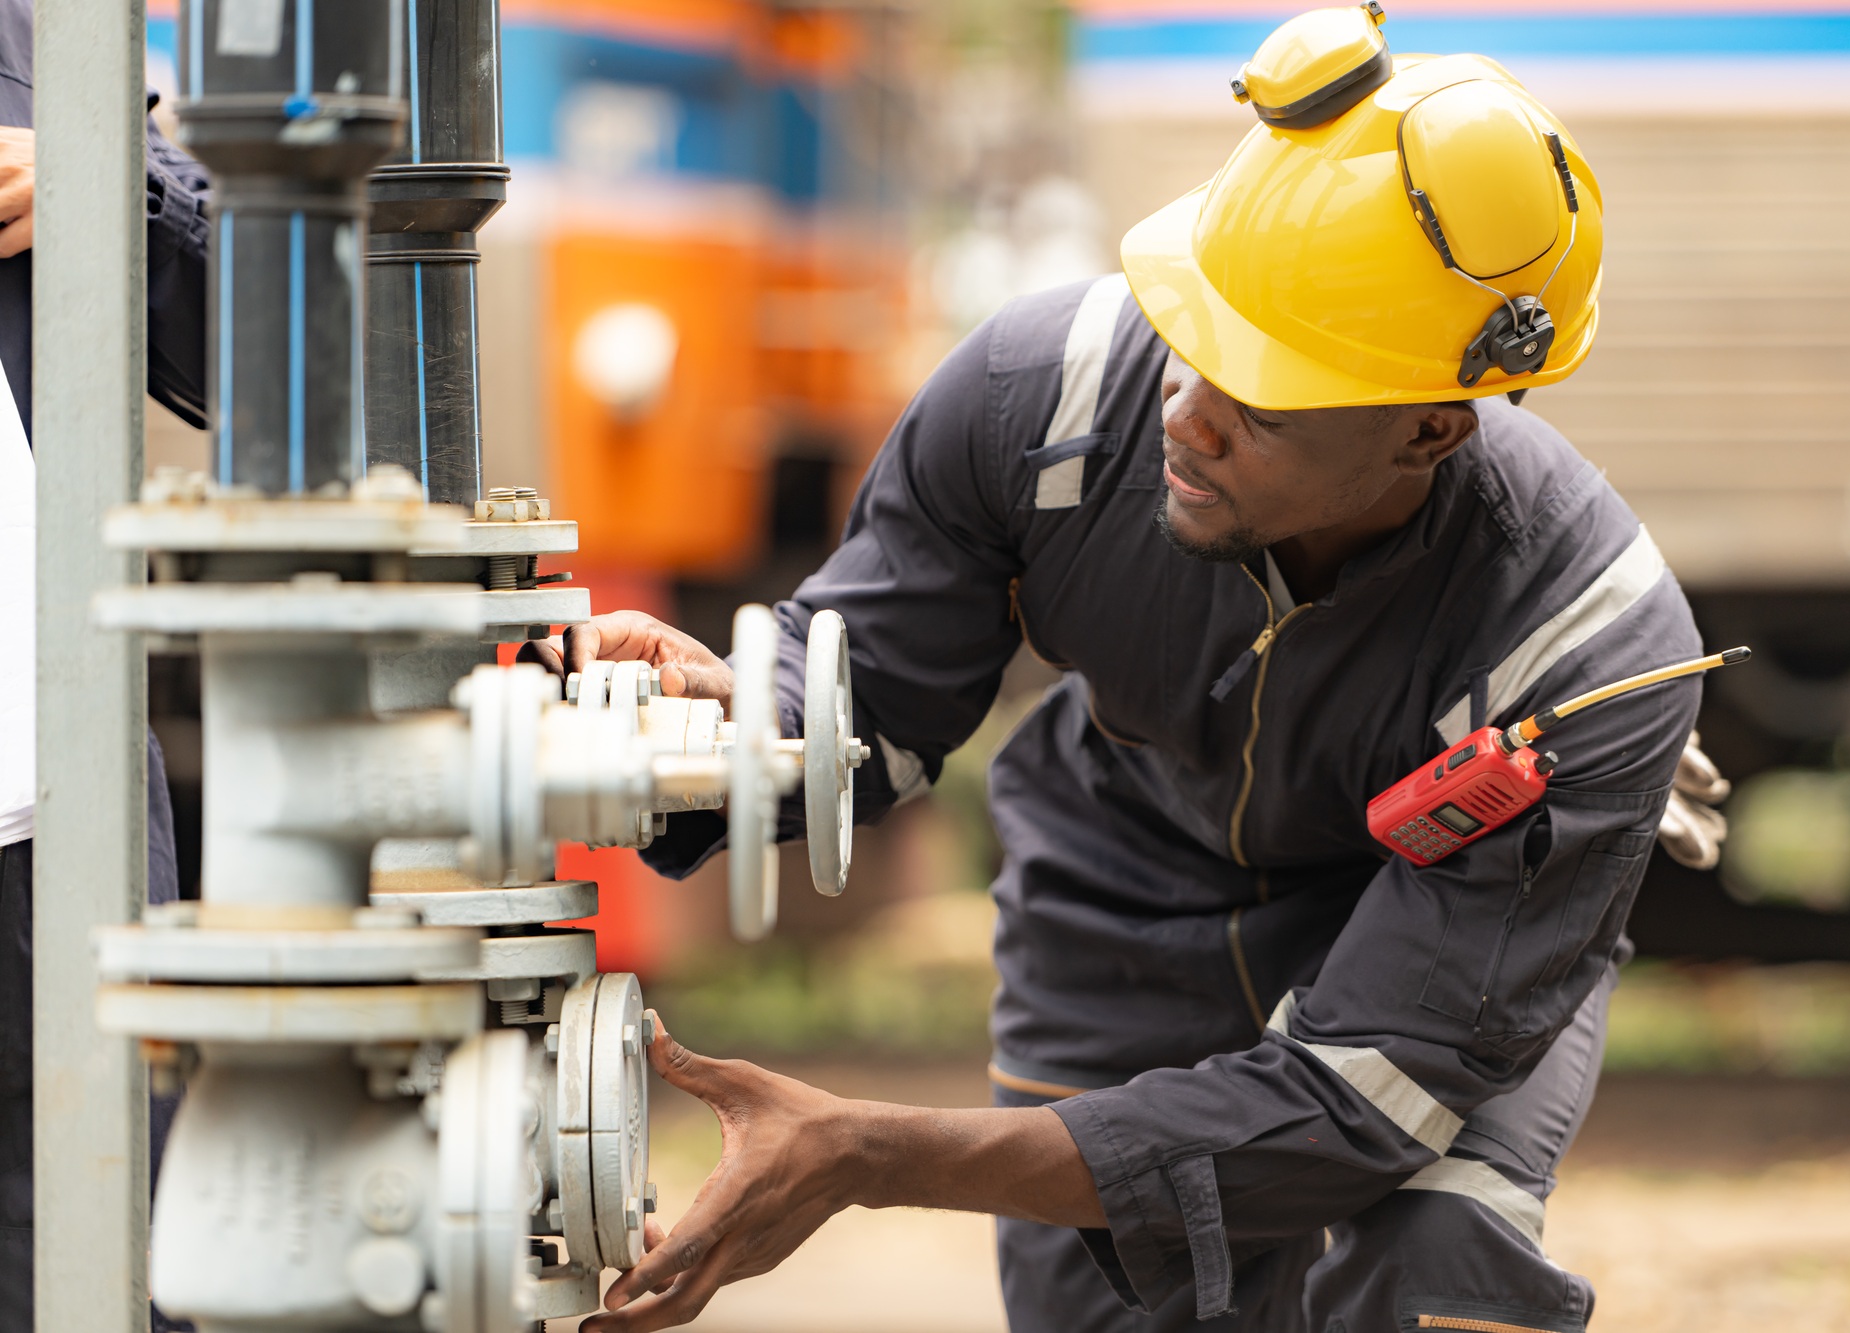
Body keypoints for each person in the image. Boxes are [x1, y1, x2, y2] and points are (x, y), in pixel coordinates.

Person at [539, 13, 1725, 1332]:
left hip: (1427, 932)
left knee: (1434, 1269)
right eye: (1193, 333)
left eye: (1260, 400)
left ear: (1434, 429)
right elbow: (871, 691)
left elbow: (1350, 1108)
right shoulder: (1036, 401)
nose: (1185, 414)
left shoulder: (1588, 649)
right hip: (1122, 890)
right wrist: (737, 719)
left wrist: (869, 1151)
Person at [0, 0, 210, 1324]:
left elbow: (242, 327)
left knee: (89, 1259)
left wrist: (92, 168)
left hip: (37, 805)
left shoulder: (30, 27)